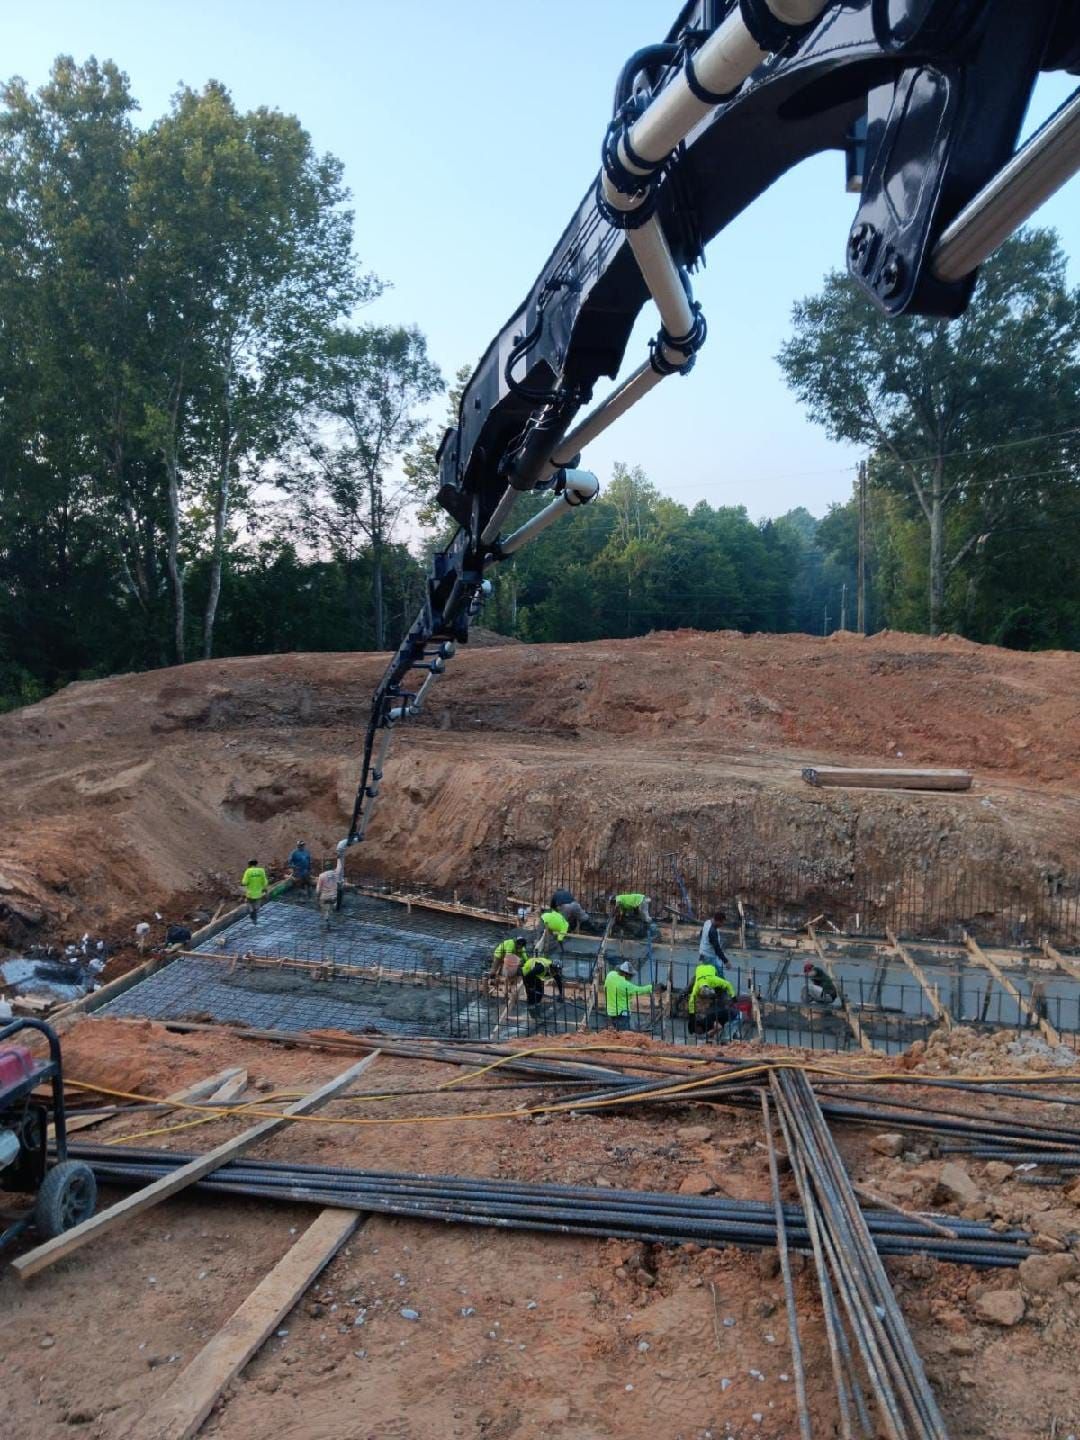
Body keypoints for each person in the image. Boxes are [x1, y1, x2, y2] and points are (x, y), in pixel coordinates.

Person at [603, 959, 658, 1031]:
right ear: (626, 974)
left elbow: (605, 988)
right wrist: (651, 987)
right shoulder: (625, 985)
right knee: (624, 1035)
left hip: (610, 1011)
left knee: (616, 1032)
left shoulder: (610, 975)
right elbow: (639, 990)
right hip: (622, 1014)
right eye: (630, 975)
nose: (631, 977)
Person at [687, 961, 736, 1036]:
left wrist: (733, 997)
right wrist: (692, 1016)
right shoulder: (698, 984)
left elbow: (728, 984)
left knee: (721, 992)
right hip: (700, 970)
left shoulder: (714, 980)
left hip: (711, 967)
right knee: (689, 988)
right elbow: (691, 999)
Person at [241, 859, 269, 925]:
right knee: (256, 906)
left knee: (249, 903)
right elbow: (265, 882)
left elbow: (244, 882)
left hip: (250, 894)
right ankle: (255, 916)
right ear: (256, 864)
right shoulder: (261, 870)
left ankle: (251, 913)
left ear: (249, 865)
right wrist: (265, 889)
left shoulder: (248, 871)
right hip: (259, 894)